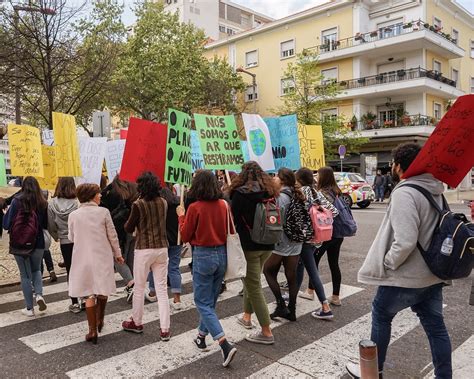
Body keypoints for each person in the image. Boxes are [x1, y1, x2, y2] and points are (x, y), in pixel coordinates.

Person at [347, 143, 452, 378]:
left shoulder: (406, 192)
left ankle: (374, 371)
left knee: (381, 315)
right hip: (433, 275)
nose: (392, 167)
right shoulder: (436, 190)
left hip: (406, 277)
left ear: (399, 166)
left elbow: (405, 241)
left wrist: (388, 262)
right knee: (436, 328)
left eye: (393, 163)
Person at [177, 170, 237, 367]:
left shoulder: (195, 207)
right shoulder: (224, 205)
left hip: (203, 254)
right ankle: (201, 336)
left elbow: (185, 235)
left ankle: (223, 343)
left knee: (202, 301)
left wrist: (181, 217)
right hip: (222, 254)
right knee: (210, 300)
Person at [68, 184, 124, 345]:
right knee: (102, 288)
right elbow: (112, 235)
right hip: (102, 255)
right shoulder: (103, 212)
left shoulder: (74, 215)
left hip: (82, 256)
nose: (101, 196)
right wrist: (118, 254)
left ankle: (92, 330)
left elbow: (71, 237)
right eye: (98, 193)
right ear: (91, 196)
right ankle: (100, 319)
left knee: (88, 293)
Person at [229, 161, 277, 345]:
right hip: (268, 242)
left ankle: (266, 331)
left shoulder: (239, 194)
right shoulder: (270, 191)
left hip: (248, 245)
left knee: (254, 286)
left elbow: (231, 217)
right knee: (252, 280)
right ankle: (247, 317)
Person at [121, 172, 171, 341]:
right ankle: (165, 329)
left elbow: (128, 227)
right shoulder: (163, 202)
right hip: (162, 248)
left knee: (139, 287)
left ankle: (137, 321)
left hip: (143, 248)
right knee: (162, 289)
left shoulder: (138, 204)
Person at [3, 177, 48, 317]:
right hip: (38, 241)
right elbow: (45, 224)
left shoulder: (16, 201)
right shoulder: (42, 202)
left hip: (19, 243)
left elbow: (6, 224)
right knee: (36, 270)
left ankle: (29, 308)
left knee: (25, 275)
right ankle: (39, 295)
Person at [294, 167, 336, 320]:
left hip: (305, 238)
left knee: (311, 271)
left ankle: (325, 307)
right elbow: (333, 211)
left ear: (299, 179)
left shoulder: (301, 192)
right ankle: (292, 297)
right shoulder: (315, 192)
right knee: (300, 267)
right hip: (315, 238)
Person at [263, 168, 303, 322]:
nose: (274, 178)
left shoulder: (281, 198)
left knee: (267, 270)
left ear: (283, 180)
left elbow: (275, 220)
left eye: (276, 176)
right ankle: (291, 309)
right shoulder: (298, 194)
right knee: (291, 275)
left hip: (282, 240)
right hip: (297, 240)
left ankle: (280, 304)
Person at [308, 166, 345, 309]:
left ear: (322, 177)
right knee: (334, 263)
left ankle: (310, 290)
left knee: (314, 260)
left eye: (318, 174)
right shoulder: (337, 191)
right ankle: (336, 296)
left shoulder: (322, 193)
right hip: (338, 233)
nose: (316, 177)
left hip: (327, 232)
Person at [146, 183, 183, 309]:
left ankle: (152, 292)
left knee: (154, 267)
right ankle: (177, 299)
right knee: (174, 268)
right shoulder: (179, 204)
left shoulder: (157, 206)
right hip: (176, 240)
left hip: (160, 241)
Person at [101, 175, 137, 301]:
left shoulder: (113, 193)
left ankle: (132, 284)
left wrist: (107, 187)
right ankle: (134, 285)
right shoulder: (133, 191)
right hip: (132, 229)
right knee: (130, 258)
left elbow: (103, 204)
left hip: (119, 230)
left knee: (119, 259)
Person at [48, 177, 80, 313]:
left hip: (64, 240)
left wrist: (56, 236)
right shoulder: (77, 203)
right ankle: (85, 298)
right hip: (78, 239)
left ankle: (74, 302)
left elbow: (50, 224)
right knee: (82, 268)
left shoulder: (51, 204)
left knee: (70, 270)